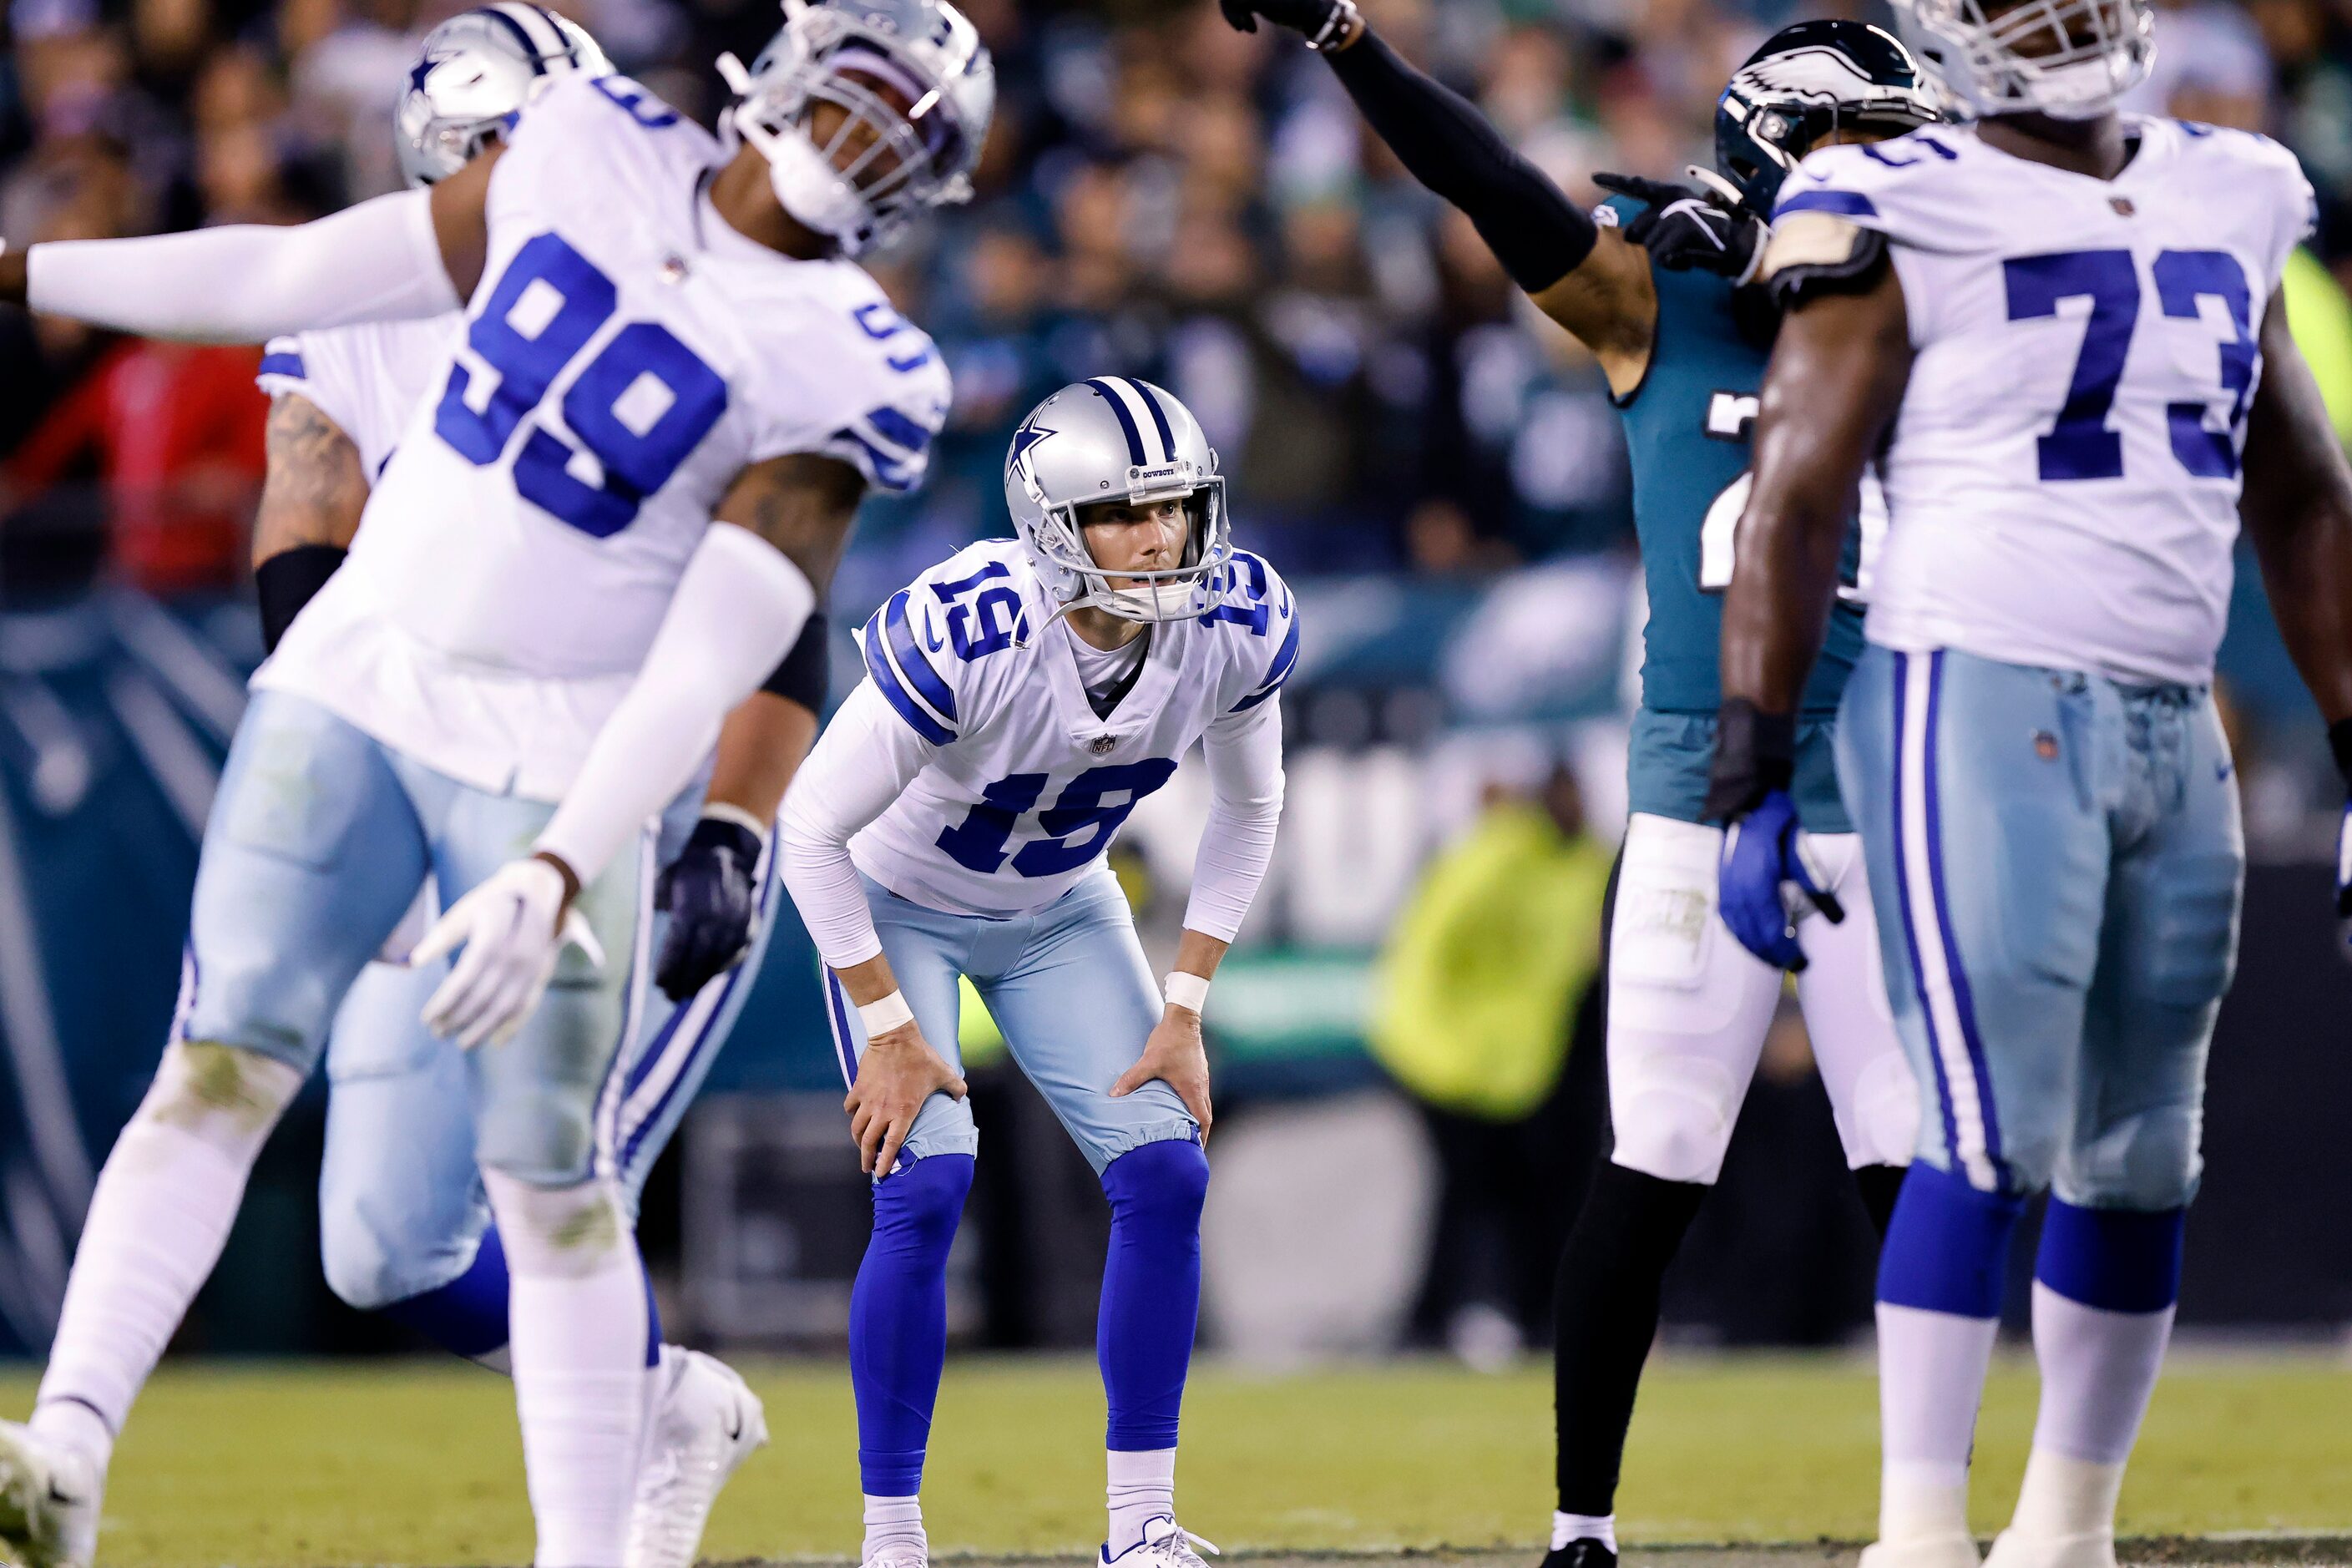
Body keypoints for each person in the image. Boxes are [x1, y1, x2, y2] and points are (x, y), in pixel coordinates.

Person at [0, 3, 993, 1565]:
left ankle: (592, 1528)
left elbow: (751, 631)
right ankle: (65, 1448)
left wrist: (645, 845)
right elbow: (285, 308)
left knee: (549, 1173)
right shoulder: (572, 168)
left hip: (568, 764)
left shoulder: (852, 358)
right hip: (371, 694)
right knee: (287, 1139)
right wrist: (23, 267)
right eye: (854, 98)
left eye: (902, 128)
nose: (858, 139)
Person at [1211, 3, 1932, 1561]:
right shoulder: (1655, 301)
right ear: (1775, 150)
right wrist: (1343, 39)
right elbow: (1489, 185)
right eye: (1862, 148)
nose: (1895, 181)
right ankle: (1579, 1530)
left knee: (1910, 1174)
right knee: (1654, 1166)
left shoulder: (1931, 319)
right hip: (1697, 786)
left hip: (1884, 792)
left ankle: (1932, 1520)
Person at [1707, 0, 2352, 1561]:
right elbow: (1792, 502)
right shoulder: (1891, 197)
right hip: (1973, 697)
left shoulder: (2238, 184)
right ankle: (1918, 1533)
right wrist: (1752, 768)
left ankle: (2068, 1530)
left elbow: (2305, 498)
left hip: (2171, 718)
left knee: (2145, 1152)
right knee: (1988, 1130)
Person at [247, 10, 835, 1563]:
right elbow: (304, 510)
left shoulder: (691, 303)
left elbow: (789, 595)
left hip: (620, 815)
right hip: (439, 795)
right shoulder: (370, 302)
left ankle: (601, 1533)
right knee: (379, 1248)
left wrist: (733, 822)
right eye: (485, 159)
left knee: (551, 1187)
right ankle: (665, 1398)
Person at [777, 377, 1292, 1568]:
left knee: (1166, 1173)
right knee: (923, 1188)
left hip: (1059, 910)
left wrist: (1186, 1003)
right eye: (1122, 512)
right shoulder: (971, 632)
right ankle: (892, 1536)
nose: (1160, 535)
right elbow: (808, 827)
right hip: (897, 905)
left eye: (1172, 505)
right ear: (1052, 525)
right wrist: (890, 1022)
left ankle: (1141, 1523)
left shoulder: (1233, 621)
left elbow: (1252, 805)